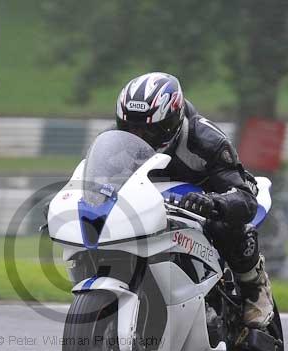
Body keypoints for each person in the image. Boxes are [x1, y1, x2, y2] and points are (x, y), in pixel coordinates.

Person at [115, 72, 274, 328]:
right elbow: (99, 182)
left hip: (209, 196)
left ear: (172, 121)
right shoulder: (119, 142)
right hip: (155, 201)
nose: (139, 136)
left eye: (149, 129)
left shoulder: (205, 139)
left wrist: (215, 203)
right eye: (131, 127)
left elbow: (244, 197)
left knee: (226, 225)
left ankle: (254, 287)